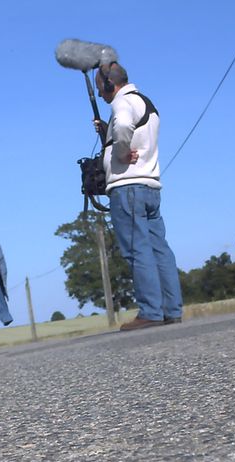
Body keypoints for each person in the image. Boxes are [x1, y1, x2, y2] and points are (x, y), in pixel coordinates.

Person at [94, 62, 184, 331]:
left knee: (137, 249)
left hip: (127, 188)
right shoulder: (146, 103)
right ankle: (171, 309)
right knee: (159, 248)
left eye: (101, 88)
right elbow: (129, 132)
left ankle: (150, 312)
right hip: (150, 186)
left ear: (111, 84)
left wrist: (120, 153)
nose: (100, 94)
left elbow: (123, 127)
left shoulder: (122, 103)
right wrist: (107, 135)